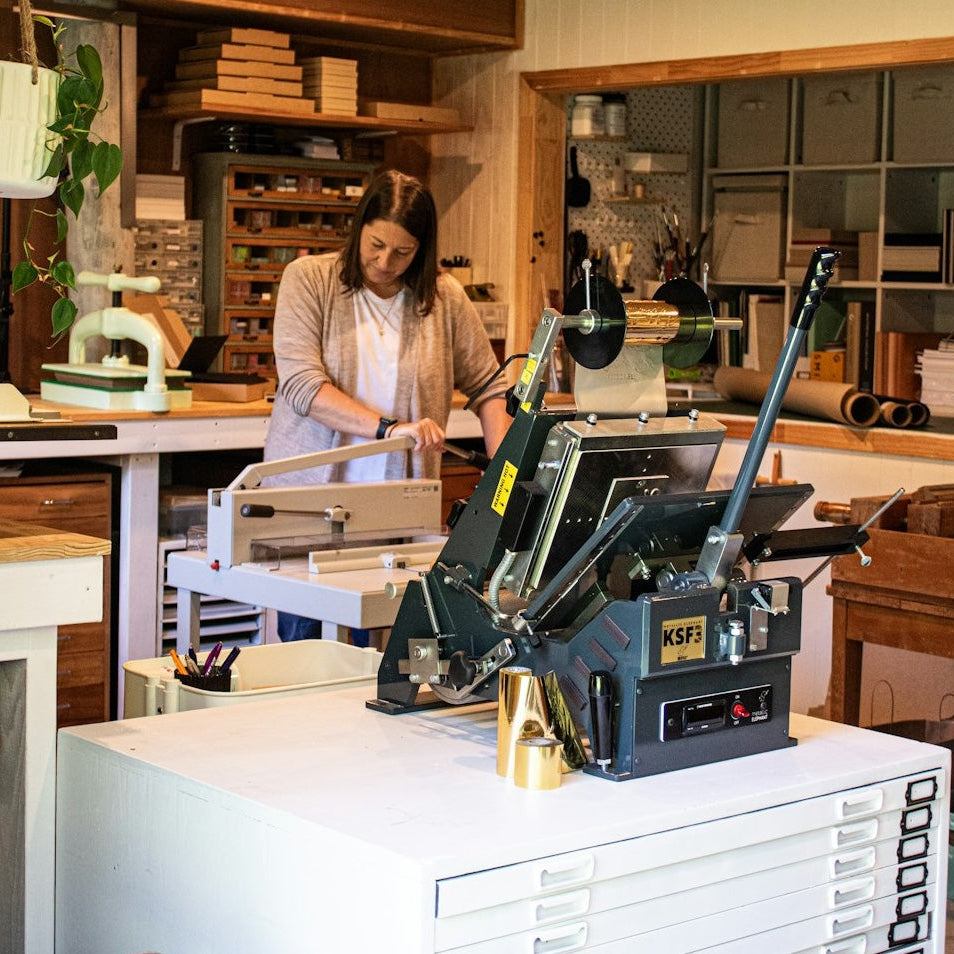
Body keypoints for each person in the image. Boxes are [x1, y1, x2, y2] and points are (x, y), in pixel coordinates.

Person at [263, 169, 512, 642]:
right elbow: (301, 385)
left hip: (397, 516)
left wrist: (505, 473)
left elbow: (489, 385)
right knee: (304, 655)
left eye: (402, 252)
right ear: (359, 228)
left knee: (379, 657)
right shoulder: (309, 280)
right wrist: (388, 429)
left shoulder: (444, 299)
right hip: (311, 513)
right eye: (376, 244)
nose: (384, 261)